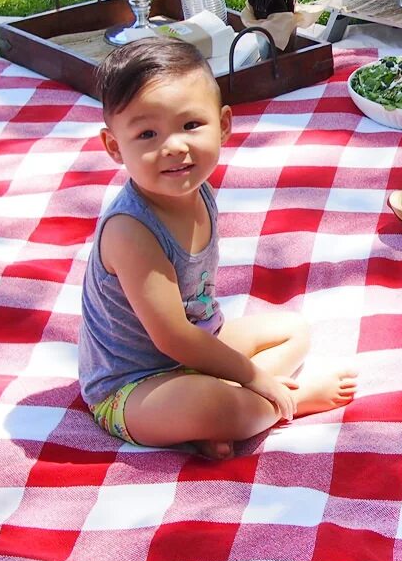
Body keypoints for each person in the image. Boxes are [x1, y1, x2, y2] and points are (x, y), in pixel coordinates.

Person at [78, 37, 356, 459]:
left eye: (191, 125)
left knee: (293, 331)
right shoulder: (130, 231)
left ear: (223, 125)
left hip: (198, 346)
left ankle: (233, 411)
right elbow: (173, 338)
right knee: (204, 402)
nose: (174, 146)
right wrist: (254, 377)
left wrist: (240, 373)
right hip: (132, 385)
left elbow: (193, 330)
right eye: (147, 133)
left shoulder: (196, 189)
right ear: (115, 147)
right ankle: (284, 402)